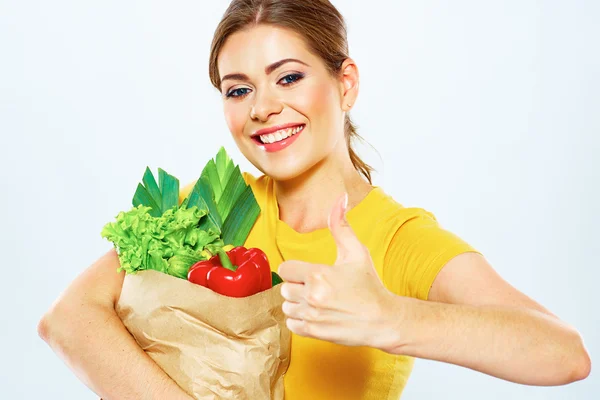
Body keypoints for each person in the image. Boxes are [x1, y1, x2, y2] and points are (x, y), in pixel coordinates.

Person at [38, 1, 591, 399]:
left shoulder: (395, 238)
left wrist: (391, 317)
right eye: (238, 89)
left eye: (289, 77)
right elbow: (68, 319)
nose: (262, 108)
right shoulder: (204, 203)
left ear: (345, 83)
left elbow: (564, 354)